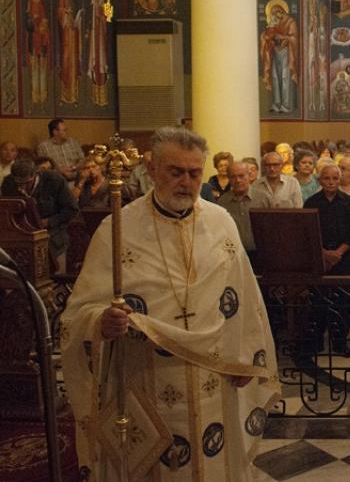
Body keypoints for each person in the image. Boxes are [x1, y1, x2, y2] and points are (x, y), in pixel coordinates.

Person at [62, 127, 280, 481]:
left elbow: (245, 299)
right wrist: (102, 322)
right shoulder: (118, 227)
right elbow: (77, 314)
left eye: (194, 173)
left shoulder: (220, 222)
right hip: (147, 379)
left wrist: (244, 357)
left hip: (212, 376)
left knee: (213, 463)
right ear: (152, 168)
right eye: (175, 171)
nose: (186, 182)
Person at [304, 164, 350, 355]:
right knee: (317, 301)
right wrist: (324, 253)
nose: (331, 182)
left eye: (335, 178)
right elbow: (307, 232)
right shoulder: (311, 203)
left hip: (342, 258)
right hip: (318, 258)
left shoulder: (349, 202)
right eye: (327, 178)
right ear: (320, 180)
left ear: (340, 179)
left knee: (342, 301)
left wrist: (338, 253)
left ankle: (340, 343)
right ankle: (316, 342)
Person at [2, 158, 77, 264]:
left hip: (53, 240)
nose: (23, 187)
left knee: (56, 275)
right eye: (19, 183)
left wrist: (48, 221)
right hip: (22, 242)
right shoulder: (8, 183)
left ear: (35, 174)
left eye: (27, 183)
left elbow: (71, 209)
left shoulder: (54, 180)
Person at [216, 160, 265, 256]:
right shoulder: (222, 203)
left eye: (241, 176)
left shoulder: (264, 198)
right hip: (233, 255)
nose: (238, 180)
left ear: (248, 175)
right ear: (229, 179)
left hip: (261, 255)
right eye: (233, 177)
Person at [36, 117, 82, 181]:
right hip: (57, 179)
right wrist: (60, 171)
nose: (67, 132)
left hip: (78, 175)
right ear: (55, 132)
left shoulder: (73, 142)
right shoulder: (43, 147)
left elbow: (83, 160)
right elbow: (42, 168)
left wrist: (73, 168)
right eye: (64, 130)